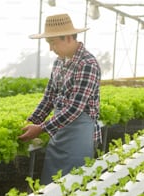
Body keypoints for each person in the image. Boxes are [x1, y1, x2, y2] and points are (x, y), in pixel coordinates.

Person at [18, 13, 102, 185]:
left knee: (75, 188)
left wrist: (40, 128)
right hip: (59, 131)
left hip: (79, 135)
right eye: (49, 43)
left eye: (53, 43)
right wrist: (32, 121)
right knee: (53, 186)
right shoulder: (59, 63)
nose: (51, 48)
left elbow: (75, 108)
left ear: (69, 38)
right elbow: (49, 97)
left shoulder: (87, 64)